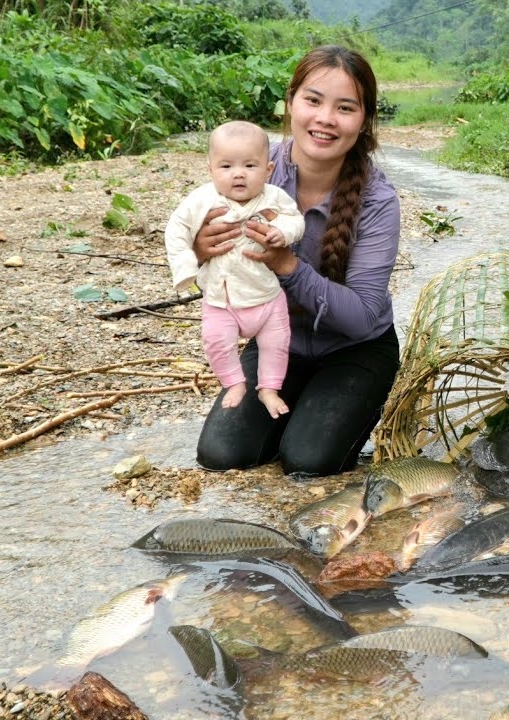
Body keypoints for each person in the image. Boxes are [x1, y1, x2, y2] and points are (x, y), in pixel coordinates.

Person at [191, 46, 402, 477]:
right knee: (222, 456)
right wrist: (201, 250)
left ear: (363, 122)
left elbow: (362, 317)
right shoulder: (250, 163)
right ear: (290, 102)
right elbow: (211, 263)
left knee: (307, 462)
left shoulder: (378, 201)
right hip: (276, 341)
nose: (325, 118)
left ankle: (329, 410)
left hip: (356, 350)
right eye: (313, 100)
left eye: (345, 108)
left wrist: (288, 266)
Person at [165, 120, 304, 420]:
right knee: (216, 342)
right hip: (221, 299)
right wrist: (186, 264)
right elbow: (176, 228)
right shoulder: (202, 199)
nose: (238, 174)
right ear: (211, 170)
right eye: (226, 166)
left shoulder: (273, 197)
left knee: (276, 344)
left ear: (267, 171)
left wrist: (283, 231)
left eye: (249, 166)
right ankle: (234, 382)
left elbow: (295, 218)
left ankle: (269, 388)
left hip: (267, 298)